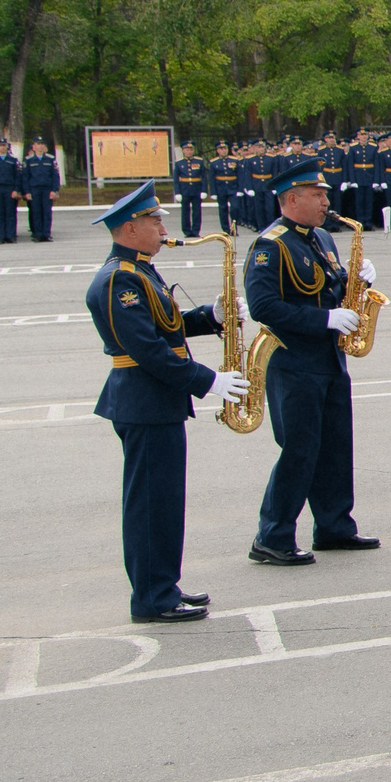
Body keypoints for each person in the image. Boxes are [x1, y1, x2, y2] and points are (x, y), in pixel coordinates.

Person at [87, 181, 250, 621]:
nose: (163, 227)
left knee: (164, 502)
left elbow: (167, 326)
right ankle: (152, 599)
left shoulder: (140, 271)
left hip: (156, 403)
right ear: (128, 228)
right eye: (154, 220)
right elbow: (148, 350)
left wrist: (210, 316)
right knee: (149, 505)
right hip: (143, 401)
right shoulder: (119, 279)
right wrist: (208, 381)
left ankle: (164, 585)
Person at [243, 162, 380, 565]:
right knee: (299, 450)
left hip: (329, 358)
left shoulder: (320, 237)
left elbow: (332, 288)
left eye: (324, 194)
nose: (326, 202)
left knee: (336, 445)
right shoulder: (271, 245)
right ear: (291, 199)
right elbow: (262, 306)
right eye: (317, 195)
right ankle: (272, 535)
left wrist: (360, 282)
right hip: (294, 362)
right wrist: (324, 319)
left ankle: (335, 526)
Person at [22, 139, 60, 241]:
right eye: (38, 144)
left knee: (47, 212)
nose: (40, 146)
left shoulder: (50, 159)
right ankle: (38, 234)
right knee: (36, 212)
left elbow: (55, 176)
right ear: (33, 146)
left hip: (47, 189)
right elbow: (25, 177)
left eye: (42, 144)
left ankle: (46, 234)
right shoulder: (28, 160)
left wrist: (55, 190)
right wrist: (27, 192)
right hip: (34, 189)